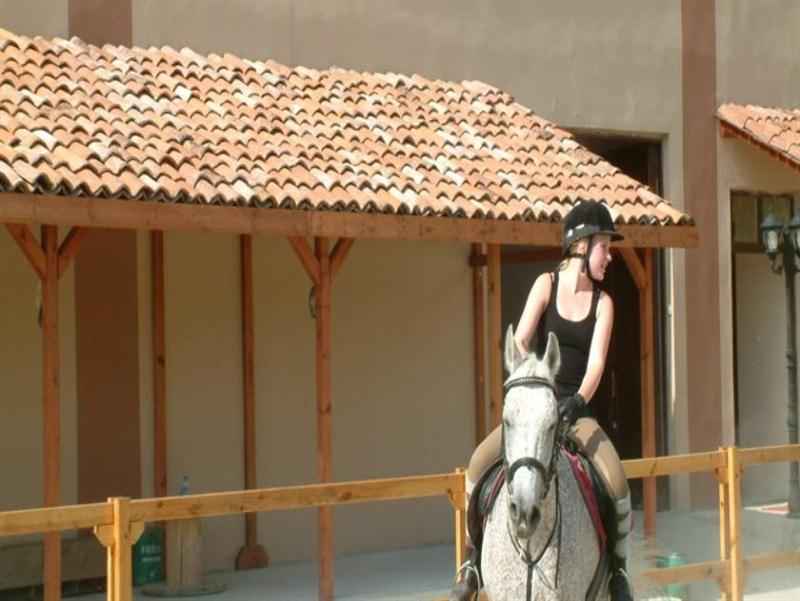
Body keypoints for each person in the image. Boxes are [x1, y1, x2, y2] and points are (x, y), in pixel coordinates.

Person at [449, 200, 634, 601]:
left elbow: (596, 363)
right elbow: (519, 340)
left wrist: (578, 400)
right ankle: (471, 562)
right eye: (605, 246)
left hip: (576, 412)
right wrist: (531, 378)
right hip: (536, 406)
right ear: (582, 246)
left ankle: (618, 571)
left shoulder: (604, 303)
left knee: (617, 481)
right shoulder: (545, 285)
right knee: (478, 466)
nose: (610, 256)